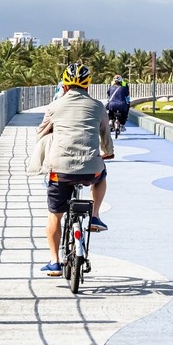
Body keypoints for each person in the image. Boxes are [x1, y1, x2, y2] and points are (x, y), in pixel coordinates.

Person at [31, 63, 113, 277]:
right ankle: (95, 215)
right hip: (90, 169)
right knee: (101, 175)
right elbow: (105, 136)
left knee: (54, 216)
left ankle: (54, 261)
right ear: (88, 85)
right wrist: (107, 152)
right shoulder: (98, 107)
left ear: (65, 85)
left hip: (60, 170)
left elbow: (40, 134)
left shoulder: (54, 107)